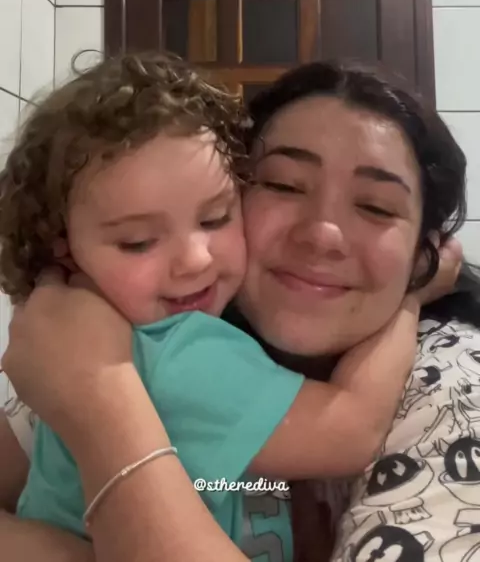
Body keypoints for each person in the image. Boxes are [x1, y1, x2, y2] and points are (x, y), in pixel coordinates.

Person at [0, 60, 475, 562]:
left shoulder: (456, 395)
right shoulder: (141, 347)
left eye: (376, 206)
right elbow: (352, 427)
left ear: (424, 245)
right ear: (64, 252)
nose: (322, 234)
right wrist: (411, 298)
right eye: (286, 185)